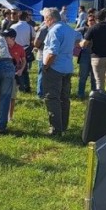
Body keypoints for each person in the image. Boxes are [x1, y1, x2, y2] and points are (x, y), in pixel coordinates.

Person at [42, 8, 82, 137]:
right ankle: (63, 125)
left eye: (45, 19)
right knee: (64, 98)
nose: (44, 21)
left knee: (52, 98)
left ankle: (56, 128)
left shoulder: (54, 30)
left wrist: (45, 66)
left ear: (51, 19)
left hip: (55, 67)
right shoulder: (68, 28)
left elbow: (53, 52)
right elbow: (79, 39)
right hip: (67, 67)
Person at [0, 29, 26, 123]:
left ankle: (10, 116)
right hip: (2, 75)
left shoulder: (19, 48)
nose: (3, 38)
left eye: (6, 37)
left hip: (14, 76)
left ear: (13, 38)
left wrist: (21, 70)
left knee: (12, 97)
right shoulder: (1, 47)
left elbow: (24, 60)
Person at [10, 11, 34, 93]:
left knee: (15, 67)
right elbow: (33, 39)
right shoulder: (30, 27)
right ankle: (26, 86)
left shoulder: (13, 26)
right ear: (26, 17)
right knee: (24, 68)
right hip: (26, 49)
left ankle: (17, 85)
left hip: (15, 49)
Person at [76, 14, 97, 98]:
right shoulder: (84, 29)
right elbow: (72, 32)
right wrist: (78, 43)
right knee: (83, 76)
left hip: (95, 55)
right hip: (85, 55)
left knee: (94, 77)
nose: (91, 22)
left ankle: (94, 95)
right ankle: (80, 94)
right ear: (87, 22)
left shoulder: (98, 30)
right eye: (90, 20)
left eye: (93, 20)